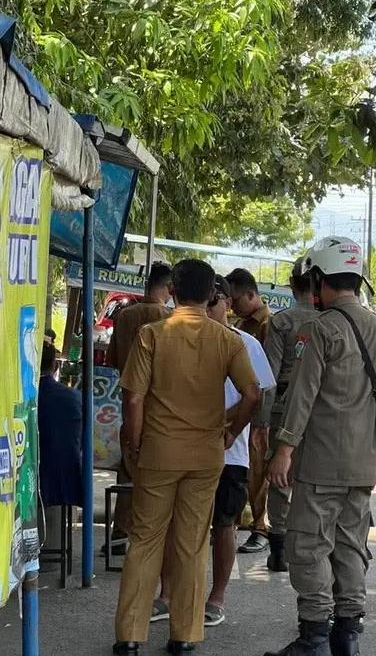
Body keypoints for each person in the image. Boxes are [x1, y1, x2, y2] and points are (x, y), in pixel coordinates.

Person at [113, 259, 261, 655]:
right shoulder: (228, 339)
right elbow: (253, 394)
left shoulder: (152, 335)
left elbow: (134, 397)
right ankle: (186, 635)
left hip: (158, 452)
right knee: (192, 543)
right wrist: (230, 431)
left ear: (173, 291)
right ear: (212, 294)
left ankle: (130, 636)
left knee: (145, 539)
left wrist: (135, 441)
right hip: (206, 454)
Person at [266, 237, 376, 656]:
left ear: (319, 279)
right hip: (364, 463)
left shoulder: (319, 329)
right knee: (351, 546)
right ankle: (348, 636)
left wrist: (283, 449)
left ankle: (314, 637)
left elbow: (302, 395)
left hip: (321, 462)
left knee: (308, 546)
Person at [155, 274, 275, 629]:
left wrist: (230, 427)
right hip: (183, 448)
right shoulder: (175, 338)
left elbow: (255, 396)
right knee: (176, 524)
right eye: (208, 300)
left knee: (224, 524)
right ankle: (167, 594)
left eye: (219, 301)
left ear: (227, 303)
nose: (212, 308)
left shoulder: (245, 343)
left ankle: (216, 597)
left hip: (229, 453)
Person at [105, 262, 173, 553]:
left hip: (127, 406)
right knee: (158, 477)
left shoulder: (124, 316)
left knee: (128, 470)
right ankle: (148, 538)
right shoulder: (168, 319)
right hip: (159, 410)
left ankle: (120, 532)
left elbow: (111, 360)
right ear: (169, 288)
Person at [263, 257, 317, 573]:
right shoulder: (331, 320)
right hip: (321, 411)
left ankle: (279, 549)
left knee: (280, 478)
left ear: (292, 284)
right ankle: (310, 545)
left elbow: (268, 378)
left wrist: (259, 422)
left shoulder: (281, 322)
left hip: (283, 407)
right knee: (313, 479)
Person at [225, 268, 272, 555]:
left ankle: (260, 526)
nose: (232, 305)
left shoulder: (267, 325)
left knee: (258, 471)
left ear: (251, 295)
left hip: (254, 409)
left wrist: (261, 422)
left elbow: (266, 381)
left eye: (236, 299)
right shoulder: (239, 323)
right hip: (236, 406)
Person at [37, 339, 82, 508]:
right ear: (55, 366)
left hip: (33, 478)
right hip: (68, 480)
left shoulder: (21, 398)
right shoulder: (74, 398)